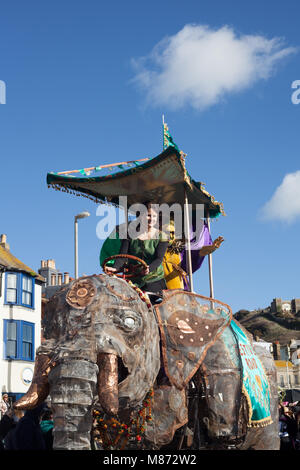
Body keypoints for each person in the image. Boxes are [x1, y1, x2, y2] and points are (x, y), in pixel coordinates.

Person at [105, 204, 169, 296]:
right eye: (148, 215)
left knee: (147, 298)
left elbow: (159, 259)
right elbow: (122, 256)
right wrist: (114, 268)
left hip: (154, 279)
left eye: (154, 216)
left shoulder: (162, 236)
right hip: (134, 279)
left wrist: (148, 269)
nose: (151, 219)